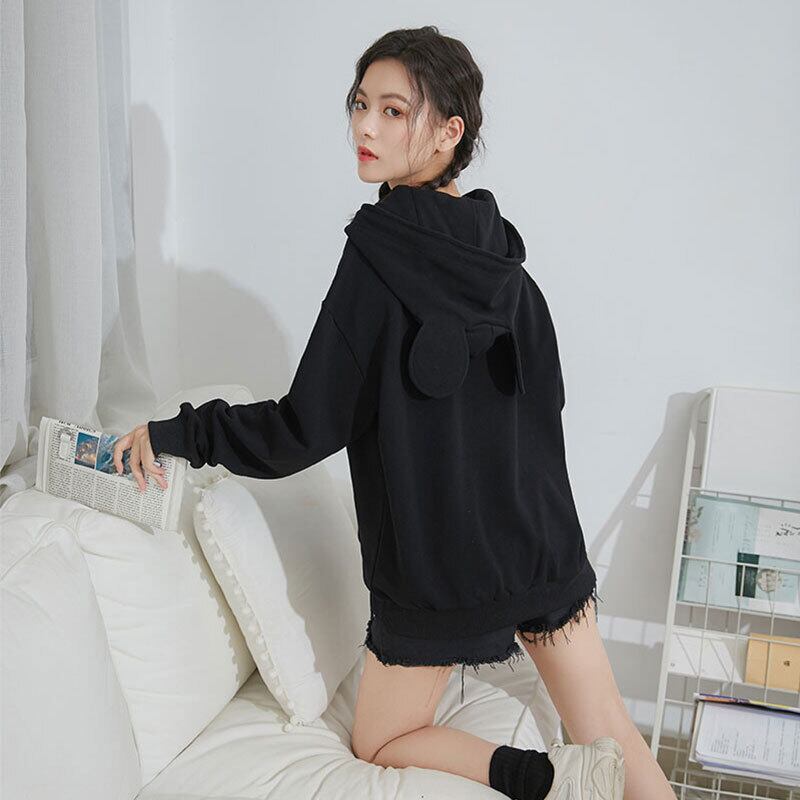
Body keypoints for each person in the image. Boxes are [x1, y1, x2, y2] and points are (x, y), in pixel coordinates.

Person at [113, 25, 676, 800]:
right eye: (360, 104)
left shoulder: (377, 259)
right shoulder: (506, 261)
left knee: (379, 740)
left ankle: (543, 779)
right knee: (610, 725)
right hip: (543, 542)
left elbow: (301, 429)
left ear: (450, 132)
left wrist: (179, 432)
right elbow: (547, 403)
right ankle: (579, 773)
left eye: (392, 111)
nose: (365, 127)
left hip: (440, 572)